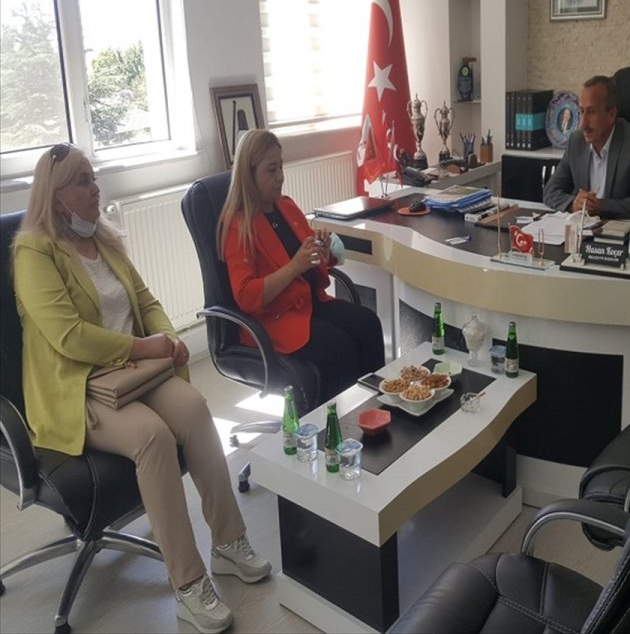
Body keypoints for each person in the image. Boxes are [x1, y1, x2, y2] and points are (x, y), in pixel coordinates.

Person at [12, 143, 269, 634]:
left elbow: (146, 301)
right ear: (57, 196)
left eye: (94, 177)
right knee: (152, 437)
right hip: (79, 385)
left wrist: (168, 339)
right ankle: (188, 583)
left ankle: (228, 542)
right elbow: (68, 336)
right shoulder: (34, 252)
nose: (95, 188)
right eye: (83, 181)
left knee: (195, 409)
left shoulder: (103, 238)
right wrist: (143, 346)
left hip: (134, 370)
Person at [217, 129, 385, 401]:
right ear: (249, 175)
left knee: (368, 323)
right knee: (338, 347)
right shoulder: (238, 226)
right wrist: (295, 266)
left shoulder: (286, 207)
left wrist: (323, 251)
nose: (280, 177)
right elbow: (246, 296)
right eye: (271, 170)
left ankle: (376, 408)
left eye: (281, 166)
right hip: (277, 318)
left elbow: (311, 262)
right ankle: (340, 421)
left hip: (309, 303)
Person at [543, 76, 630, 219]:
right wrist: (573, 203)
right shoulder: (576, 141)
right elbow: (550, 191)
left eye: (592, 112)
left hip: (620, 229)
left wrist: (601, 206)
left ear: (611, 115)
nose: (583, 124)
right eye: (581, 111)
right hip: (583, 228)